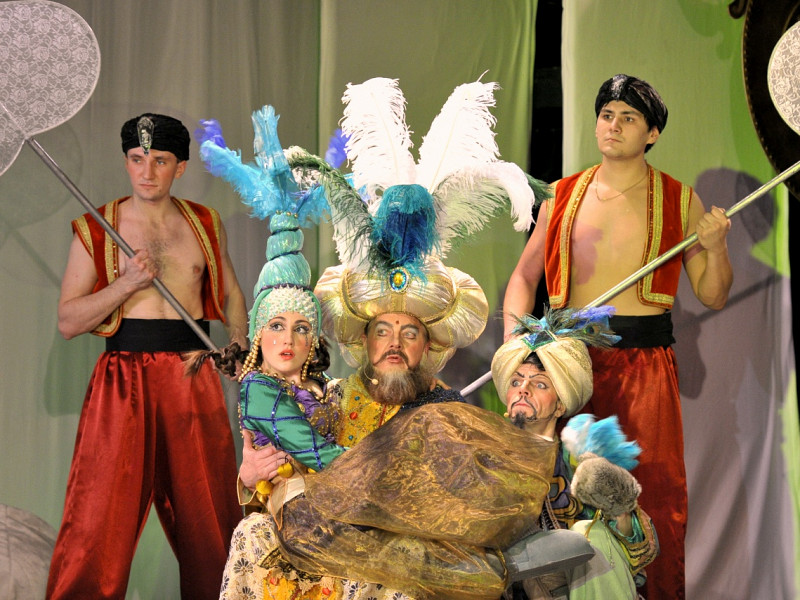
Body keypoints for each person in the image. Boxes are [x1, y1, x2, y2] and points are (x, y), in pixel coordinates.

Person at [502, 74, 733, 600]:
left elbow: (714, 295)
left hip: (643, 369)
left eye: (629, 118)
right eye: (607, 115)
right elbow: (523, 278)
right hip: (567, 362)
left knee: (651, 494)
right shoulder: (561, 196)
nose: (614, 125)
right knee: (553, 493)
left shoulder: (679, 200)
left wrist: (717, 248)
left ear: (652, 133)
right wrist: (517, 346)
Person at [47, 113, 248, 600]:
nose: (147, 172)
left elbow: (232, 296)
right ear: (126, 162)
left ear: (180, 167)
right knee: (98, 515)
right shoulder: (96, 227)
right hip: (123, 378)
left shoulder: (204, 223)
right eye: (137, 159)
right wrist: (127, 284)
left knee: (210, 514)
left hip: (191, 374)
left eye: (160, 160)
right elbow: (69, 321)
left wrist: (239, 346)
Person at [491, 309, 660, 599]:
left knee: (590, 534)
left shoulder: (580, 459)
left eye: (539, 384)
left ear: (560, 405)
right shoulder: (484, 456)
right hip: (514, 587)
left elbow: (641, 551)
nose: (523, 390)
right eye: (516, 382)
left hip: (583, 584)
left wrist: (619, 509)